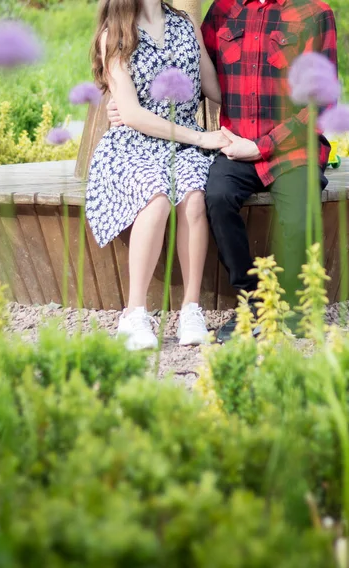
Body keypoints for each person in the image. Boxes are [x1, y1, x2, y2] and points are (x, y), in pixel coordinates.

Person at [108, 0, 338, 343]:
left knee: (297, 213)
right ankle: (252, 299)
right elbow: (185, 64)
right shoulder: (224, 11)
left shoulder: (314, 13)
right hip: (235, 145)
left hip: (292, 148)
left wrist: (263, 146)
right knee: (215, 197)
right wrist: (123, 102)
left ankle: (293, 303)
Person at [87, 0, 229, 350]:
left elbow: (214, 87)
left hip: (181, 143)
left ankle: (191, 310)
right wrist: (199, 137)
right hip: (133, 144)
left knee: (194, 195)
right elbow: (133, 115)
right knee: (157, 195)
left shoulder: (184, 25)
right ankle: (134, 313)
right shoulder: (116, 35)